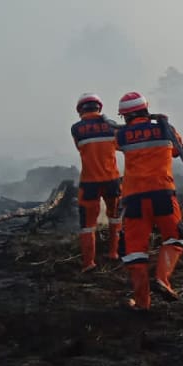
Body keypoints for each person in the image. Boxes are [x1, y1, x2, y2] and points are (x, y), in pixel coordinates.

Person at [114, 91, 183, 310]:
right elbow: (178, 150)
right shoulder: (166, 129)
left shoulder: (123, 135)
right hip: (163, 194)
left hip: (134, 199)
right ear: (147, 108)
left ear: (125, 116)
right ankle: (163, 279)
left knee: (135, 252)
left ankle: (143, 303)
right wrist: (161, 122)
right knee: (174, 238)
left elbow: (116, 141)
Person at [70, 92, 122, 272]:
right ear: (99, 107)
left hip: (89, 183)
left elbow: (80, 147)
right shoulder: (112, 127)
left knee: (87, 225)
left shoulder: (76, 128)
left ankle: (88, 263)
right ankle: (114, 253)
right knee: (115, 217)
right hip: (113, 180)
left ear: (80, 110)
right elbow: (120, 145)